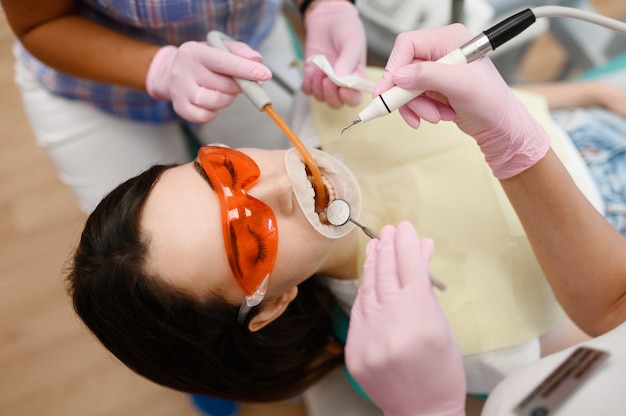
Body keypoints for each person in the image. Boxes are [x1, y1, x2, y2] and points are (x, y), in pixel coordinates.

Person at [345, 23, 626, 415]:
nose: (278, 192)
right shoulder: (472, 347)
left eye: (230, 170)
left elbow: (614, 311)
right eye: (252, 241)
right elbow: (613, 314)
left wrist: (517, 129)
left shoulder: (328, 118)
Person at [1, 0, 366, 212]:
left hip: (247, 46)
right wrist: (160, 69)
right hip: (92, 77)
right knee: (145, 219)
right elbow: (40, 22)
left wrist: (322, 4)